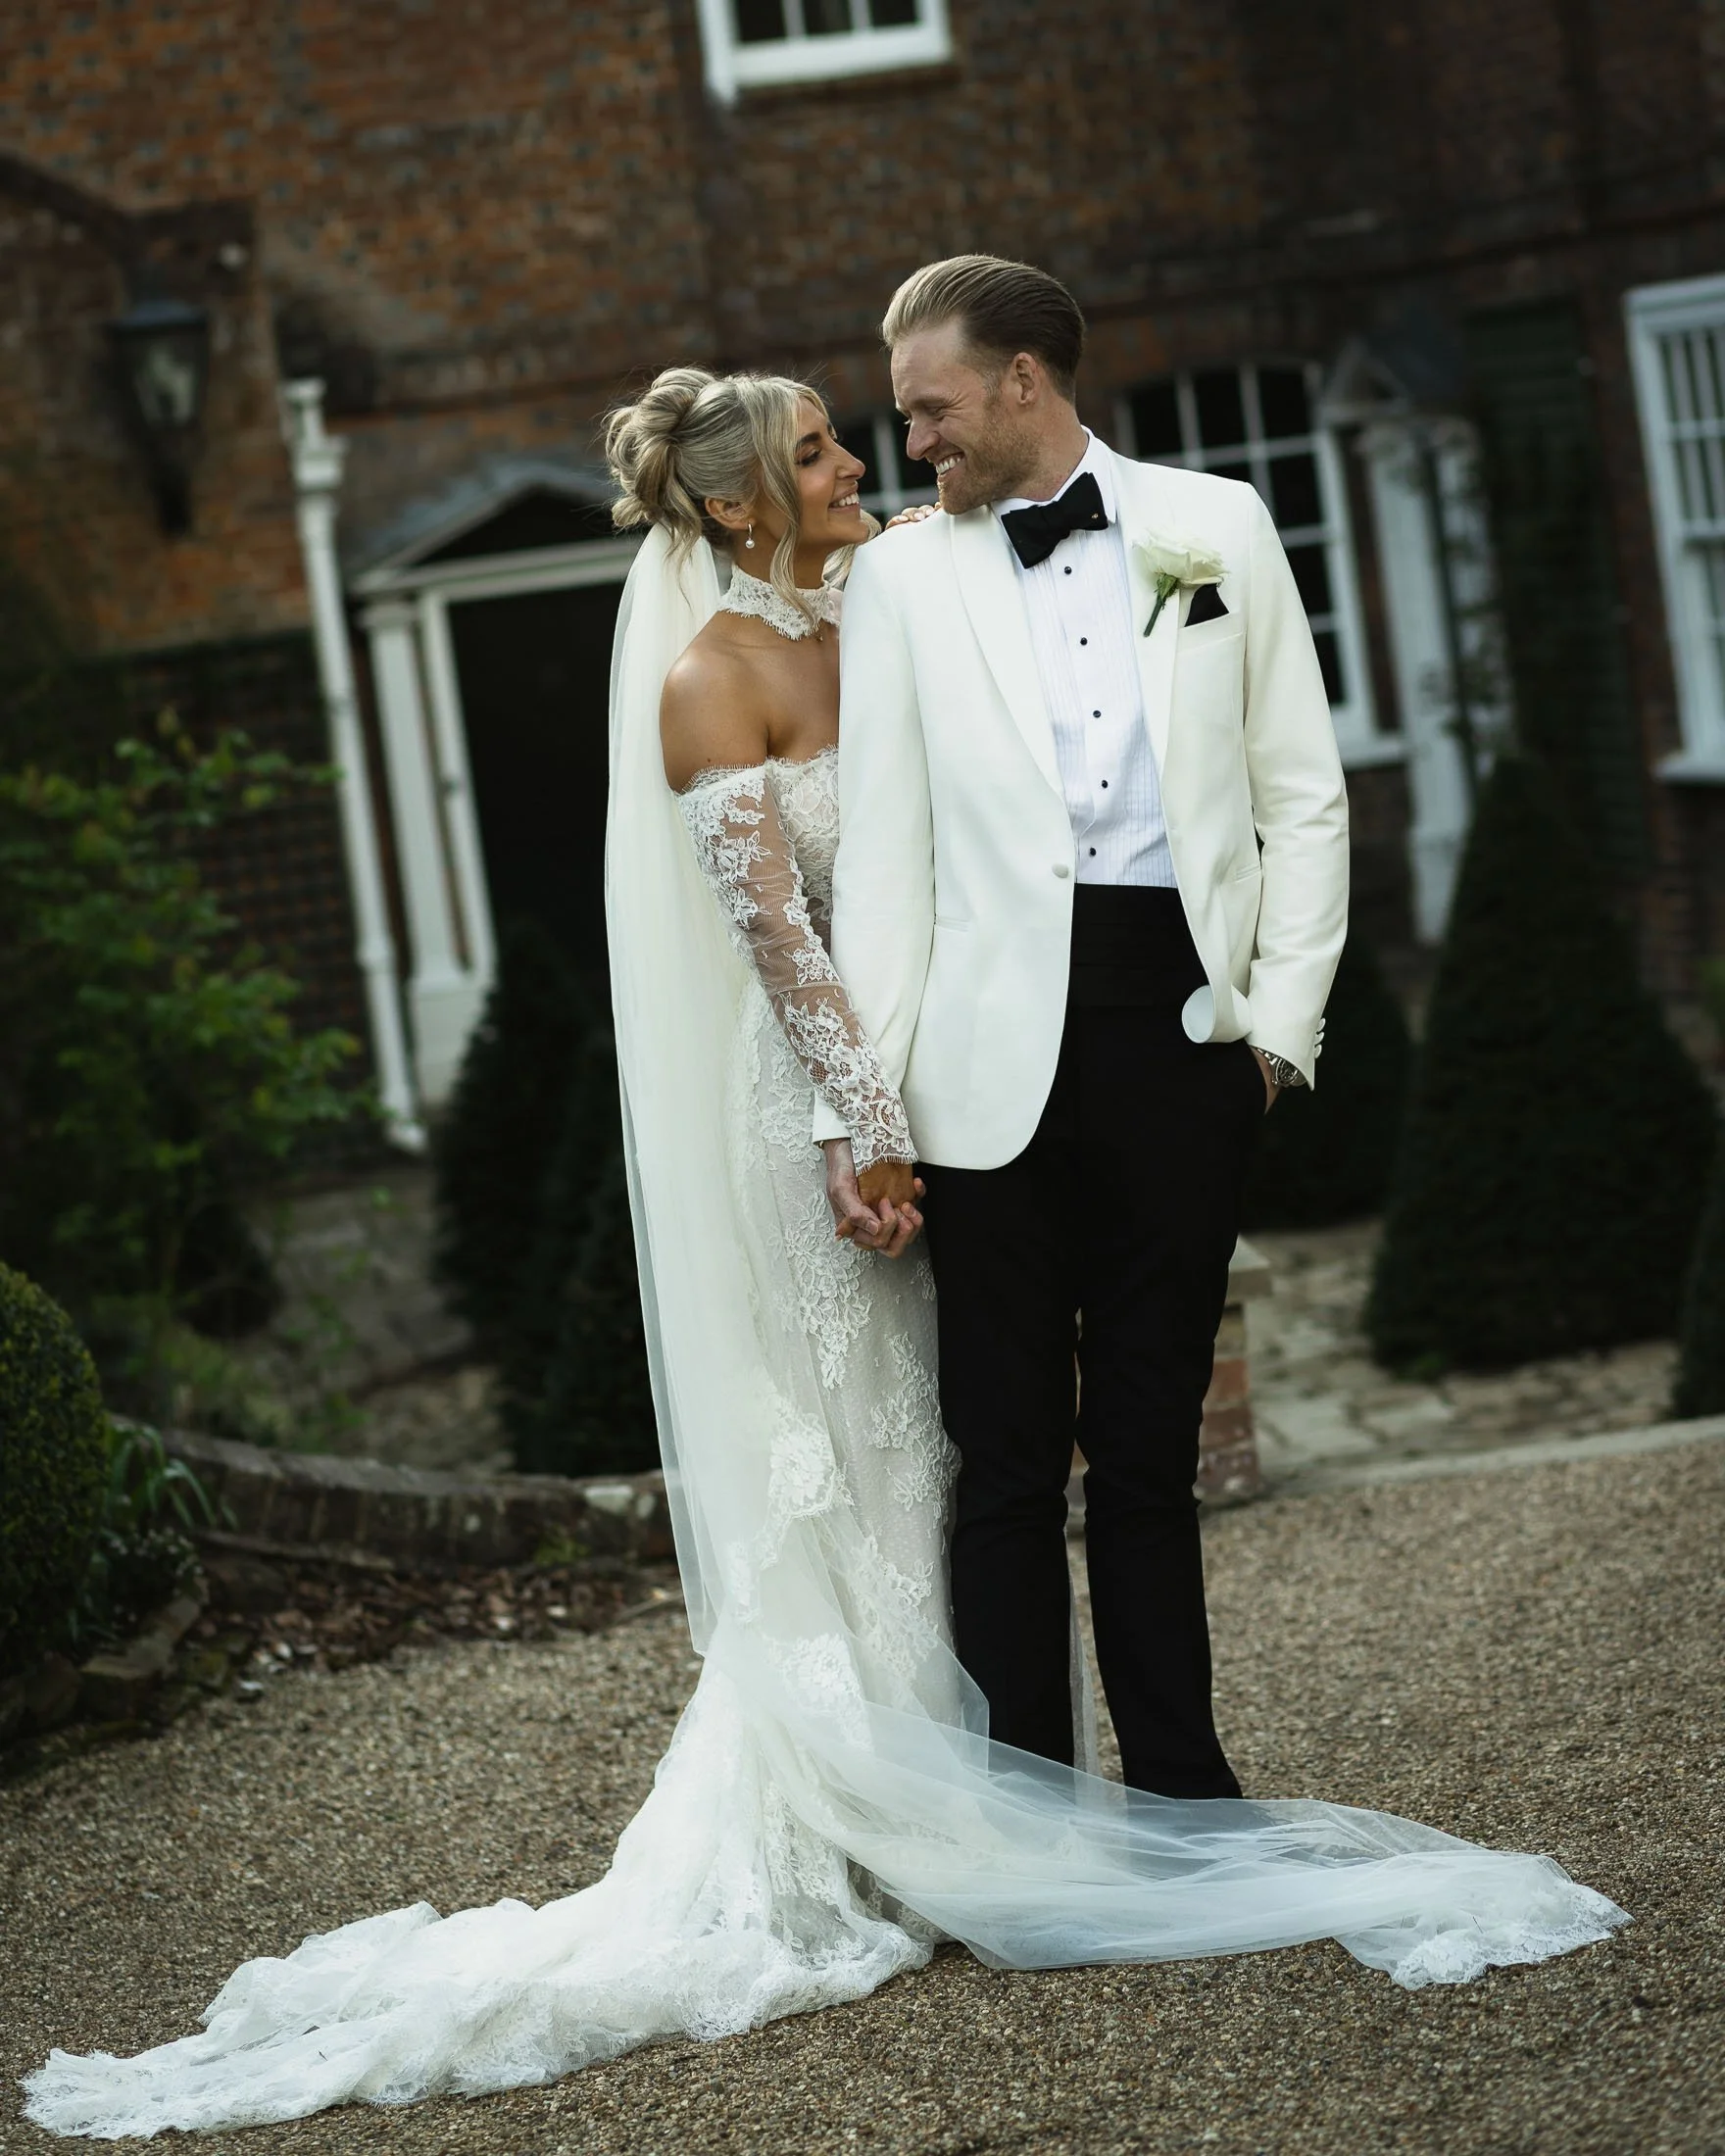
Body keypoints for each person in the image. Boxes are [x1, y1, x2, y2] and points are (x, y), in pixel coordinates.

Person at [24, 358, 1623, 2143]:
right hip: (825, 1115)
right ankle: (899, 1826)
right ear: (726, 504)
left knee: (956, 1447)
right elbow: (780, 938)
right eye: (814, 449)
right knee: (873, 1460)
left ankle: (1026, 1802)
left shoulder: (913, 587)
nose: (860, 457)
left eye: (854, 432)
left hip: (972, 1087)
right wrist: (860, 1123)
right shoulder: (713, 679)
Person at [814, 253, 1337, 1799]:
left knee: (1153, 1451)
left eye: (932, 410)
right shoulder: (901, 578)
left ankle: (1182, 1791)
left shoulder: (1216, 526)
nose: (913, 444)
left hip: (1185, 1045)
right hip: (983, 1069)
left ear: (1024, 380)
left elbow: (1303, 796)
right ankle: (1026, 1812)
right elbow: (888, 862)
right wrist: (868, 1105)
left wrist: (1277, 1036)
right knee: (1004, 1461)